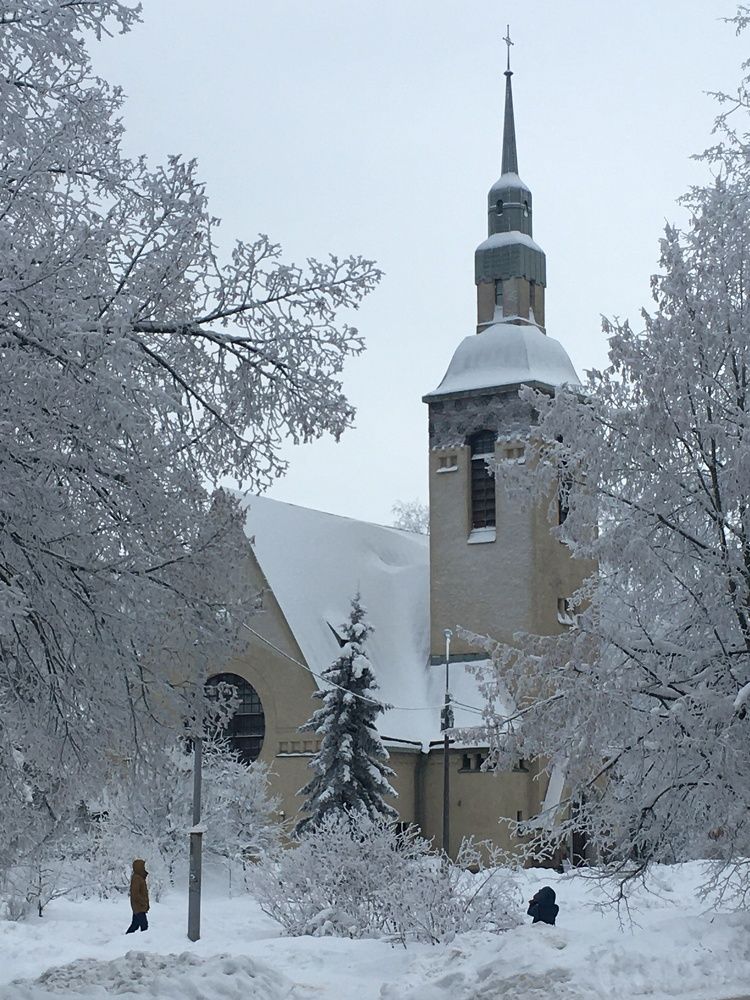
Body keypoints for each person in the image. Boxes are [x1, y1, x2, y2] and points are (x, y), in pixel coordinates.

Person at [125, 859, 150, 933]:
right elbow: (135, 894)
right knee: (144, 925)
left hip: (139, 906)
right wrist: (143, 902)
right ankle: (145, 939)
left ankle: (126, 937)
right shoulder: (136, 878)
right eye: (143, 866)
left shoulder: (140, 877)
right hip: (138, 906)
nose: (144, 868)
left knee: (135, 925)